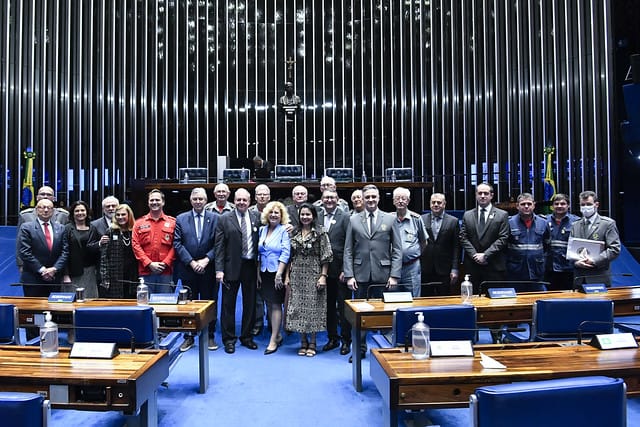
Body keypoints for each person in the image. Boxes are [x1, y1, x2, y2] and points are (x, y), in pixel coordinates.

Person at [343, 184, 402, 361]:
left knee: (385, 314)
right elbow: (348, 250)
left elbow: (397, 250)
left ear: (378, 198)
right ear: (362, 198)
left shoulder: (389, 219)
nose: (370, 200)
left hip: (383, 276)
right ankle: (359, 349)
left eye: (373, 197)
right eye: (367, 197)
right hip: (360, 275)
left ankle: (388, 349)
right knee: (360, 316)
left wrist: (394, 275)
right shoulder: (353, 220)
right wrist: (349, 274)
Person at [173, 188, 220, 352]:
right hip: (188, 269)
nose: (198, 202)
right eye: (195, 199)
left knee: (209, 303)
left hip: (209, 269)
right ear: (191, 200)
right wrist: (192, 263)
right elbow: (177, 243)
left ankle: (210, 335)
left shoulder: (216, 218)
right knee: (188, 304)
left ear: (206, 200)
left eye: (201, 199)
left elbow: (218, 244)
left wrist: (206, 260)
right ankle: (189, 336)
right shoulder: (181, 218)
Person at [214, 188, 260, 354]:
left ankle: (247, 337)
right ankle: (229, 339)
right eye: (238, 200)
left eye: (244, 200)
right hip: (230, 267)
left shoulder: (257, 217)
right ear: (234, 200)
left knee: (250, 303)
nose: (241, 202)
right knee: (228, 304)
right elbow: (219, 247)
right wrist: (219, 270)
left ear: (250, 202)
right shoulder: (224, 219)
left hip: (250, 267)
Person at [285, 203, 332, 357]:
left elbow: (326, 256)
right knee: (298, 307)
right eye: (302, 214)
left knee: (313, 308)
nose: (305, 217)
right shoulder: (294, 232)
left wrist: (323, 276)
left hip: (314, 272)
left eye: (308, 214)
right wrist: (287, 276)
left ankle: (313, 342)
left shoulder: (321, 232)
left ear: (313, 216)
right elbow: (289, 256)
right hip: (297, 274)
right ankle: (302, 341)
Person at [316, 190, 350, 355]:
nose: (329, 200)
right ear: (321, 200)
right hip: (322, 270)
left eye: (332, 198)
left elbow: (350, 245)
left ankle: (346, 340)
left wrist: (346, 269)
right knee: (328, 306)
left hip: (340, 269)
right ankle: (333, 338)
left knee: (343, 307)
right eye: (326, 198)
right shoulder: (318, 215)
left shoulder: (345, 217)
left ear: (338, 200)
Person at [459, 182, 510, 293]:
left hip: (494, 266)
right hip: (473, 266)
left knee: (495, 303)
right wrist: (475, 255)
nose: (482, 196)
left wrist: (485, 255)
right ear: (476, 195)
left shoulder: (502, 215)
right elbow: (463, 237)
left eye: (485, 193)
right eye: (480, 193)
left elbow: (503, 238)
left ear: (491, 195)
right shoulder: (467, 215)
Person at [257, 201, 291, 355]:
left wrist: (279, 273)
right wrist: (258, 272)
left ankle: (273, 339)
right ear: (266, 214)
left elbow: (285, 253)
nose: (274, 215)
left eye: (277, 212)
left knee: (276, 304)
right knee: (269, 304)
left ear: (281, 215)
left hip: (277, 272)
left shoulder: (284, 230)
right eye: (271, 212)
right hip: (264, 271)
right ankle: (276, 334)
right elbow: (260, 252)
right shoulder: (263, 230)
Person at [18, 198, 69, 297]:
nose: (46, 210)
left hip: (54, 277)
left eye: (49, 208)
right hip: (33, 277)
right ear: (37, 210)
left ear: (53, 211)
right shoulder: (26, 227)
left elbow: (65, 252)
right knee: (31, 309)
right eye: (42, 207)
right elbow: (25, 252)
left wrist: (54, 269)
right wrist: (43, 270)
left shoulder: (61, 228)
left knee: (55, 310)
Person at [570, 190, 621, 287]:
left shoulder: (607, 224)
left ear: (596, 205)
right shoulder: (575, 225)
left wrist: (594, 260)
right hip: (579, 278)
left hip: (599, 276)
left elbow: (614, 249)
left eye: (588, 204)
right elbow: (570, 248)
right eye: (583, 204)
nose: (585, 207)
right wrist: (576, 262)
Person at [131, 189, 176, 293]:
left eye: (157, 200)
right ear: (148, 203)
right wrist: (149, 263)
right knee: (145, 302)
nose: (154, 202)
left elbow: (176, 245)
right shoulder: (139, 223)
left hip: (165, 271)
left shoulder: (173, 222)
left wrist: (165, 263)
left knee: (165, 304)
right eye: (151, 200)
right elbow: (135, 245)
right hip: (145, 271)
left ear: (163, 202)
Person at [16, 185, 69, 271]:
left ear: (54, 198)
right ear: (37, 197)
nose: (45, 196)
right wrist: (21, 265)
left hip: (56, 265)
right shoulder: (25, 216)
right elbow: (19, 243)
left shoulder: (63, 215)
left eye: (49, 194)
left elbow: (66, 245)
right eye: (42, 194)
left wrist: (64, 270)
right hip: (31, 265)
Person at [421, 193, 460, 295]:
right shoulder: (421, 219)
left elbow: (456, 247)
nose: (436, 204)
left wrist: (455, 268)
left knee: (444, 300)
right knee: (424, 300)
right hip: (425, 268)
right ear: (430, 204)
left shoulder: (453, 221)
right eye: (433, 202)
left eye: (439, 202)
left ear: (444, 204)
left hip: (445, 269)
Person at [391, 187, 428, 297]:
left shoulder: (416, 219)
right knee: (392, 298)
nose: (401, 201)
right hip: (393, 267)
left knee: (413, 298)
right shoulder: (388, 219)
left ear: (408, 201)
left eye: (404, 198)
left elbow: (424, 242)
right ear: (393, 201)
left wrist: (412, 254)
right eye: (397, 198)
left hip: (411, 266)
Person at [505, 193, 550, 281]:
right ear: (517, 206)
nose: (526, 206)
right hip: (515, 271)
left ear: (534, 205)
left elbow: (547, 245)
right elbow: (504, 246)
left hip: (537, 270)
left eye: (529, 204)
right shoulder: (509, 222)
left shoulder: (543, 222)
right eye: (523, 204)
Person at [62, 200, 101, 298]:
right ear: (72, 213)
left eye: (82, 210)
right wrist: (65, 274)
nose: (80, 213)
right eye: (77, 211)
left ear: (87, 212)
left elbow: (96, 250)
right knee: (73, 299)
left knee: (90, 299)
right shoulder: (67, 229)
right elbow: (63, 252)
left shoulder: (93, 228)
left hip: (90, 271)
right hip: (73, 272)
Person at [99, 204, 139, 298]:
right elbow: (104, 258)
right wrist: (105, 279)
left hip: (133, 274)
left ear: (129, 215)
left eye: (123, 214)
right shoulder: (111, 231)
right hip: (115, 276)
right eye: (118, 215)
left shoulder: (135, 231)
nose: (120, 217)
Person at [545, 193, 580, 290]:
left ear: (568, 205)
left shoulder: (577, 222)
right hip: (549, 267)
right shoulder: (543, 220)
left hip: (568, 268)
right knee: (550, 297)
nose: (559, 206)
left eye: (562, 203)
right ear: (552, 206)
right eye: (556, 204)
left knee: (567, 297)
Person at [249, 184, 271, 336]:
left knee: (271, 294)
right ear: (255, 196)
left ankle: (272, 322)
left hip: (271, 260)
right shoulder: (249, 212)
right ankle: (257, 323)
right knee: (256, 295)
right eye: (259, 194)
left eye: (265, 194)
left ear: (269, 196)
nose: (262, 197)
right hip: (253, 259)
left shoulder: (275, 210)